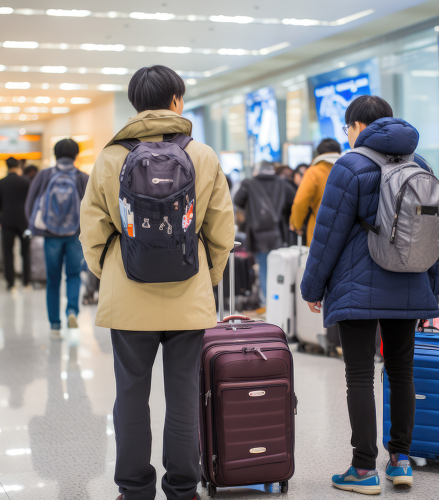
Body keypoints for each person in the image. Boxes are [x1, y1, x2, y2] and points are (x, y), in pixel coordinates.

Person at [79, 65, 234, 500]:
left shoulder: (111, 157)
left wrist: (110, 273)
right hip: (188, 296)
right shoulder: (201, 156)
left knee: (130, 394)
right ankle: (183, 488)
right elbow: (221, 231)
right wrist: (208, 278)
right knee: (184, 394)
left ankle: (134, 489)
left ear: (134, 104)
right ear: (176, 101)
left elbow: (91, 231)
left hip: (128, 296)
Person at [300, 95, 439, 494]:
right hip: (410, 282)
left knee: (359, 376)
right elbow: (432, 236)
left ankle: (363, 469)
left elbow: (328, 234)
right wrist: (430, 287)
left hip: (356, 286)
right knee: (402, 372)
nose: (347, 135)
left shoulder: (349, 166)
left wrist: (313, 286)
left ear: (359, 127)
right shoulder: (421, 165)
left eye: (347, 128)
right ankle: (400, 460)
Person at [26, 139, 89, 338]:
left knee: (53, 280)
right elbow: (91, 207)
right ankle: (72, 311)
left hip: (50, 235)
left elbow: (30, 202)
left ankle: (54, 325)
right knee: (74, 275)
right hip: (75, 235)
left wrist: (34, 227)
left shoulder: (44, 175)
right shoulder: (82, 177)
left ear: (55, 154)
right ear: (76, 155)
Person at [234, 160, 295, 303]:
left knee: (263, 269)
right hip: (277, 233)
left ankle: (268, 304)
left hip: (256, 234)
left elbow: (237, 201)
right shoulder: (281, 183)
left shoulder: (249, 183)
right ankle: (279, 302)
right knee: (279, 268)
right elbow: (293, 201)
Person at [290, 139, 342, 246]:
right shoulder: (349, 169)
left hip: (320, 230)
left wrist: (296, 224)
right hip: (347, 228)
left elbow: (300, 201)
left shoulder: (314, 172)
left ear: (319, 153)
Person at [0, 157, 32, 291]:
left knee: (8, 253)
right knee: (25, 252)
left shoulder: (1, 182)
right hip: (24, 222)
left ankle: (11, 283)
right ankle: (27, 282)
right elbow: (30, 201)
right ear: (17, 166)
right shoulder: (25, 181)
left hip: (7, 221)